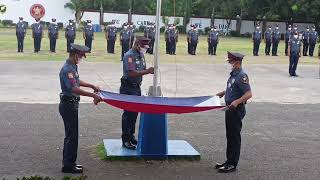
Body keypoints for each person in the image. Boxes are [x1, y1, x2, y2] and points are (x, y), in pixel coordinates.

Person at [59, 43, 102, 173]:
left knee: (72, 136)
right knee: (72, 136)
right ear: (75, 55)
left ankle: (70, 163)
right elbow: (73, 88)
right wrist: (92, 95)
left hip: (71, 104)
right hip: (68, 105)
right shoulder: (67, 69)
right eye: (81, 56)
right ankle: (68, 165)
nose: (81, 58)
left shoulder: (73, 66)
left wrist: (91, 86)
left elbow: (77, 81)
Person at [215, 51, 252, 173]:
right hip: (229, 109)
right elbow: (233, 88)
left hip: (236, 110)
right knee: (230, 135)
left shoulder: (242, 76)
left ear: (237, 62)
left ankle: (232, 163)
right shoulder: (234, 75)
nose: (229, 63)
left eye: (231, 62)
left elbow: (248, 94)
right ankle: (228, 160)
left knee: (234, 137)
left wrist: (237, 101)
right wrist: (223, 92)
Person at [120, 36, 154, 150]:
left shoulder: (140, 55)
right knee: (128, 114)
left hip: (136, 88)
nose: (145, 49)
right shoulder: (129, 56)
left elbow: (139, 70)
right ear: (138, 44)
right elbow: (132, 73)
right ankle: (125, 139)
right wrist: (147, 71)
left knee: (134, 114)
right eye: (144, 47)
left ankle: (131, 136)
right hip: (128, 88)